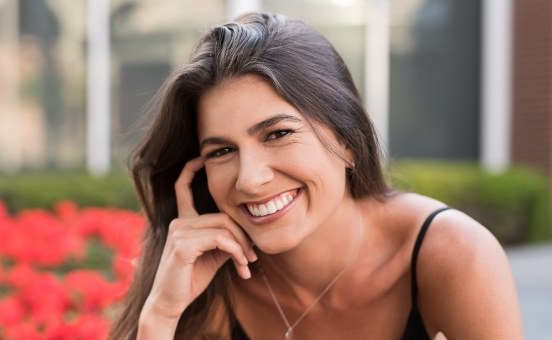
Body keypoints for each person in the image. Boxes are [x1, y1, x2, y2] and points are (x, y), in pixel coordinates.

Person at [109, 12, 523, 340]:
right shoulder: (210, 280)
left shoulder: (452, 254)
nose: (249, 180)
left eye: (278, 133)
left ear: (347, 139)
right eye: (221, 151)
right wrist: (161, 317)